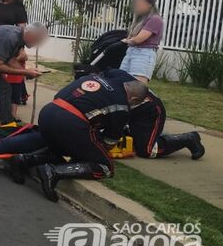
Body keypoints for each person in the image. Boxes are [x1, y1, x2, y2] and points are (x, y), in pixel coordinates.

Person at [31, 69, 149, 202]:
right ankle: (53, 172)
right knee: (105, 167)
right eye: (134, 104)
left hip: (48, 112)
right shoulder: (122, 106)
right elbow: (110, 140)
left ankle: (24, 159)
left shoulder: (98, 78)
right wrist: (99, 150)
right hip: (69, 123)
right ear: (133, 98)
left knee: (63, 150)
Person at [128, 91, 205, 160]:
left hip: (148, 110)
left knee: (147, 150)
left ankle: (188, 139)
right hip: (133, 109)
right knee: (130, 142)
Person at [120, 0, 164, 83]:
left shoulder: (155, 19)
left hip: (144, 54)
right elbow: (132, 37)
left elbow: (138, 39)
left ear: (150, 4)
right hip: (131, 51)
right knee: (121, 81)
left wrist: (126, 41)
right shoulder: (140, 20)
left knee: (137, 86)